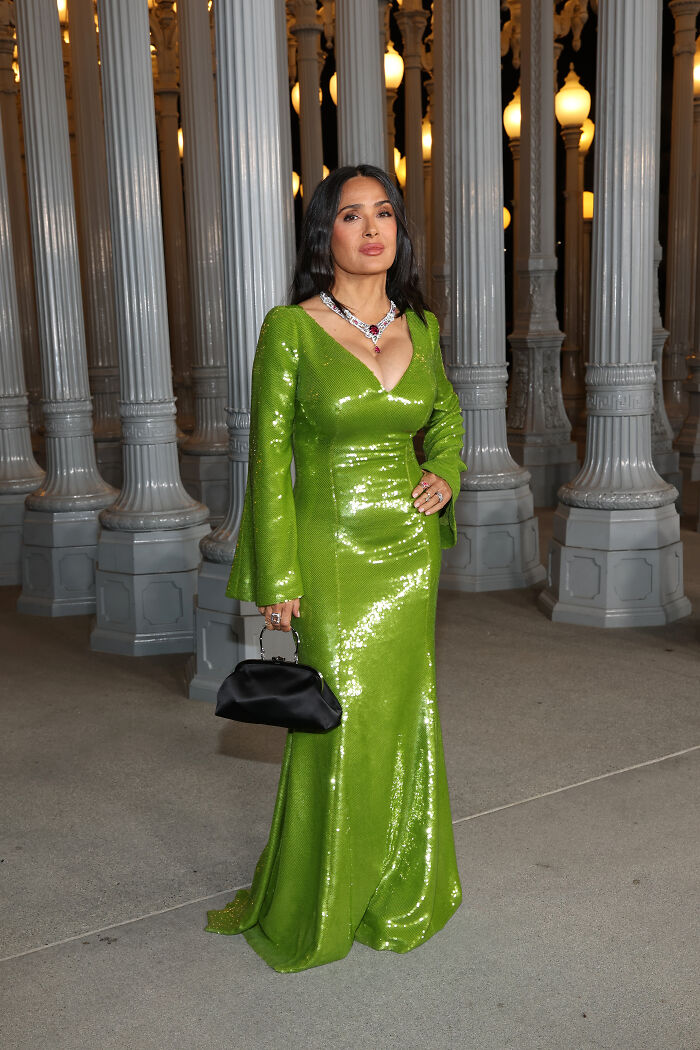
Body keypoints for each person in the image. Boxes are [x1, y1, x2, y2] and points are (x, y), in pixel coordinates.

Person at [205, 164, 467, 973]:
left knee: (402, 715)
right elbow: (267, 461)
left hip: (407, 555)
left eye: (383, 212)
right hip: (329, 550)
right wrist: (275, 579)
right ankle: (316, 898)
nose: (372, 228)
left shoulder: (418, 328)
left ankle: (396, 884)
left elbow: (448, 418)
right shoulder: (291, 329)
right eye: (351, 215)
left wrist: (446, 475)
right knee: (336, 721)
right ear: (326, 238)